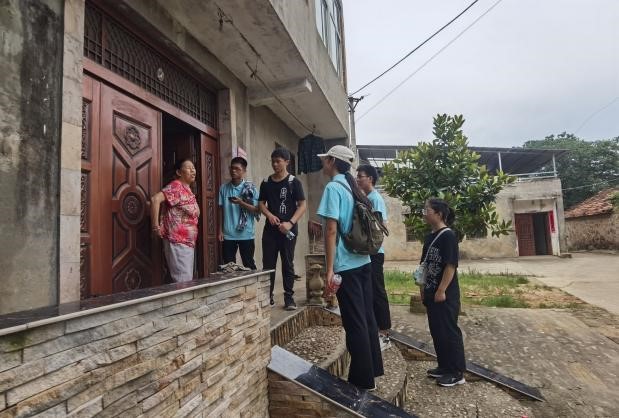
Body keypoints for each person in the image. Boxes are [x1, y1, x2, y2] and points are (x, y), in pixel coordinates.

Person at [317, 145, 384, 391]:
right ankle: (373, 369)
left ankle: (363, 380)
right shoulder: (353, 187)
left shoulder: (333, 188)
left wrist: (329, 269)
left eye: (325, 159)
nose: (323, 163)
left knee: (354, 322)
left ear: (332, 161)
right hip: (363, 261)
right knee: (366, 317)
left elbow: (331, 230)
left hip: (346, 265)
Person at [420, 198, 466, 387]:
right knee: (437, 331)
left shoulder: (448, 236)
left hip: (445, 294)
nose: (424, 213)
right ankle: (444, 366)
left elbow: (450, 265)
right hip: (430, 292)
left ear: (438, 214)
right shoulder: (429, 237)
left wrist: (441, 290)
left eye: (427, 210)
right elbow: (424, 265)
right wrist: (422, 289)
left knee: (449, 331)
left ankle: (457, 372)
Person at [259, 148, 307, 310]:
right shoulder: (266, 182)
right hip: (270, 231)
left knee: (287, 263)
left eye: (278, 161)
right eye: (273, 161)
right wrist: (269, 215)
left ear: (287, 162)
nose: (275, 164)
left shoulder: (294, 182)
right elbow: (261, 204)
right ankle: (268, 297)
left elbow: (302, 205)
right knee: (268, 264)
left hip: (288, 230)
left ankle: (289, 298)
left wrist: (290, 223)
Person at [356, 164, 392, 350]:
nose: (357, 179)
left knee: (378, 291)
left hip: (375, 253)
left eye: (360, 176)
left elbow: (380, 227)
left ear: (370, 178)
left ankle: (384, 334)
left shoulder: (375, 199)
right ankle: (377, 330)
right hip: (370, 253)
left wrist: (370, 247)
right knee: (371, 291)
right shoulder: (366, 198)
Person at [151, 159, 200, 282]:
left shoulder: (187, 189)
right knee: (183, 280)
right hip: (177, 240)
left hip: (187, 242)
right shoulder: (176, 186)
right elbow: (155, 200)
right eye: (188, 168)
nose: (193, 170)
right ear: (179, 172)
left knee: (185, 279)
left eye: (193, 168)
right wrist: (155, 226)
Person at [218, 157, 259, 269]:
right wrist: (220, 230)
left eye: (237, 169)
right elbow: (220, 210)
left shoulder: (251, 189)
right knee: (228, 267)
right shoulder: (223, 188)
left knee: (249, 264)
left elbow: (257, 209)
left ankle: (253, 282)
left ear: (244, 171)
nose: (233, 171)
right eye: (232, 168)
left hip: (246, 234)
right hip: (228, 234)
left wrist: (241, 203)